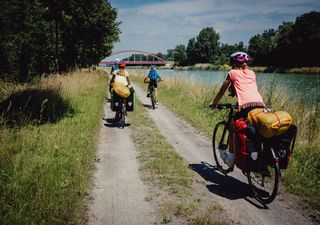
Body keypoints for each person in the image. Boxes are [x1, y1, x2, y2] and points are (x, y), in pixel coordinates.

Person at [209, 52, 265, 168]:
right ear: (246, 63)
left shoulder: (232, 73)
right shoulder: (252, 73)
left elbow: (221, 91)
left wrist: (214, 104)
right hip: (260, 106)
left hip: (246, 107)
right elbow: (246, 87)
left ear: (233, 63)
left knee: (232, 127)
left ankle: (231, 157)